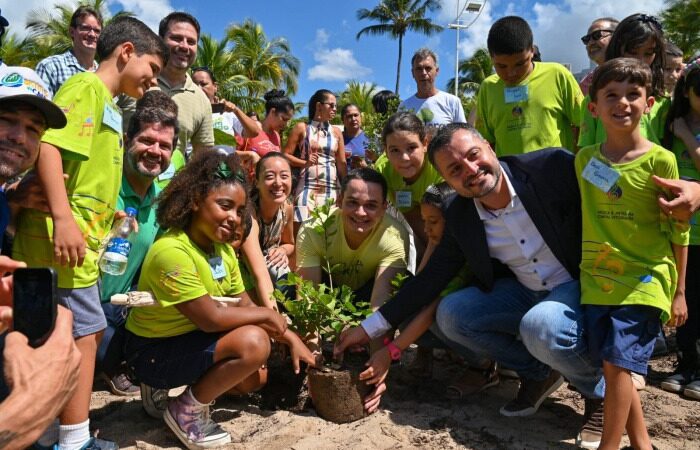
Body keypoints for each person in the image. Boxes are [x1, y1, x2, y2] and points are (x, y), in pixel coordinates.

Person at [336, 123, 604, 446]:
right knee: (451, 314)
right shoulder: (460, 214)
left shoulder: (550, 167)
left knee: (542, 326)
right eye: (455, 170)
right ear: (447, 181)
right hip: (522, 290)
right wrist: (367, 330)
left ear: (490, 146)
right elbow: (430, 281)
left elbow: (615, 188)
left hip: (575, 283)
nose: (471, 171)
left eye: (473, 156)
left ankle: (598, 391)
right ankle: (536, 372)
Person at [12, 17, 166, 450]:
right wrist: (63, 218)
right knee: (84, 334)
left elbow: (86, 172)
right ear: (126, 53)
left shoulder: (112, 107)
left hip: (80, 243)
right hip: (60, 242)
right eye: (151, 69)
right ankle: (73, 439)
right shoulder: (86, 89)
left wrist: (110, 209)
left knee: (68, 336)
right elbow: (51, 148)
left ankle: (50, 434)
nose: (152, 80)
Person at [124, 151, 314, 449]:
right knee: (253, 343)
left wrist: (291, 338)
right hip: (149, 352)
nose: (233, 217)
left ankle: (192, 391)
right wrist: (267, 318)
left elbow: (244, 305)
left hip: (187, 338)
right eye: (224, 205)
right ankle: (184, 409)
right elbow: (210, 318)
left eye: (240, 210)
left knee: (254, 380)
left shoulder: (221, 250)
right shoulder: (172, 251)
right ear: (196, 200)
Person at [576, 57, 689, 450]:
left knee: (621, 362)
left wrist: (679, 290)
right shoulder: (584, 161)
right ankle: (642, 443)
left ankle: (609, 446)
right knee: (614, 364)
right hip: (598, 277)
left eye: (633, 94)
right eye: (612, 95)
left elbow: (678, 227)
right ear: (594, 108)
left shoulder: (663, 160)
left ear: (650, 103)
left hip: (646, 277)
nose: (622, 102)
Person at [97, 91, 178, 397]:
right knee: (100, 348)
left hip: (125, 309)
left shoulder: (161, 204)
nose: (155, 150)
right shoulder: (103, 184)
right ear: (127, 138)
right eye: (146, 140)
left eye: (164, 145)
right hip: (80, 304)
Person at [121, 12, 214, 188]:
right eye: (176, 38)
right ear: (160, 39)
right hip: (117, 187)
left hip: (166, 196)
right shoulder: (136, 79)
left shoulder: (201, 100)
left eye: (191, 42)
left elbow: (203, 158)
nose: (184, 46)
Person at [475, 16, 583, 156]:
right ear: (491, 58)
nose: (511, 73)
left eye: (520, 64)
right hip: (510, 175)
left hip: (556, 173)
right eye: (501, 66)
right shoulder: (488, 87)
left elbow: (584, 126)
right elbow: (486, 141)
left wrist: (579, 165)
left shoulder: (558, 75)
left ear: (532, 51)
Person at [661, 58, 700, 400]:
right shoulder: (670, 123)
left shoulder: (681, 130)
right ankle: (686, 363)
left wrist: (687, 136)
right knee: (684, 301)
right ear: (687, 91)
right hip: (682, 231)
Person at [579, 13, 668, 148]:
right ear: (617, 48)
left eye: (648, 53)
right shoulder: (595, 97)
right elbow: (585, 150)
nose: (640, 60)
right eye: (632, 52)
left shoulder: (662, 100)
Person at [374, 112, 443, 260]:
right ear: (385, 151)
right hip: (410, 214)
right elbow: (412, 216)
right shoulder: (383, 171)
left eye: (411, 148)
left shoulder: (439, 166)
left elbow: (443, 226)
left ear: (425, 144)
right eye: (395, 150)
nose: (404, 158)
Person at [284, 89, 347, 227]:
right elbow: (285, 156)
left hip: (332, 189)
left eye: (336, 106)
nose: (335, 109)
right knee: (301, 230)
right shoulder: (302, 128)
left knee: (330, 231)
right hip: (307, 187)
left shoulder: (336, 132)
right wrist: (304, 163)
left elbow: (341, 163)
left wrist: (346, 188)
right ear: (319, 106)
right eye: (331, 105)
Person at [250, 152, 295, 292]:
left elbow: (290, 244)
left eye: (284, 176)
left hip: (271, 263)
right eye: (270, 176)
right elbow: (255, 263)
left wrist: (282, 250)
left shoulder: (287, 208)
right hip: (247, 265)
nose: (278, 183)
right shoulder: (250, 211)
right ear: (256, 182)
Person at [35, 6, 102, 95]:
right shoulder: (51, 67)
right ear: (72, 32)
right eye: (85, 28)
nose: (92, 34)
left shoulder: (104, 74)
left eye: (97, 31)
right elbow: (39, 106)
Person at [399, 48, 466, 128]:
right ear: (413, 73)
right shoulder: (404, 107)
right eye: (419, 69)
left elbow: (462, 134)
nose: (423, 73)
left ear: (437, 71)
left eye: (428, 68)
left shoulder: (452, 102)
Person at [190, 66, 259, 141]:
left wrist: (236, 110)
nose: (199, 89)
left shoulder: (227, 113)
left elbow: (254, 132)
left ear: (215, 86)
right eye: (194, 85)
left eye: (203, 84)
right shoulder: (186, 113)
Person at [235, 89, 294, 168]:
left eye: (288, 120)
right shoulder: (250, 129)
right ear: (273, 112)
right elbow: (227, 153)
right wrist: (250, 154)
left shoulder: (276, 136)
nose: (285, 124)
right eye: (284, 119)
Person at [579, 17, 619, 96]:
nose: (590, 43)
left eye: (597, 35)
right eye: (586, 39)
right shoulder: (586, 83)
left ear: (617, 37)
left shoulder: (638, 72)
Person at [341, 104, 369, 169]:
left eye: (356, 115)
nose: (353, 119)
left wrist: (366, 167)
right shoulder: (337, 138)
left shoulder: (370, 138)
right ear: (343, 120)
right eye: (349, 116)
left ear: (361, 117)